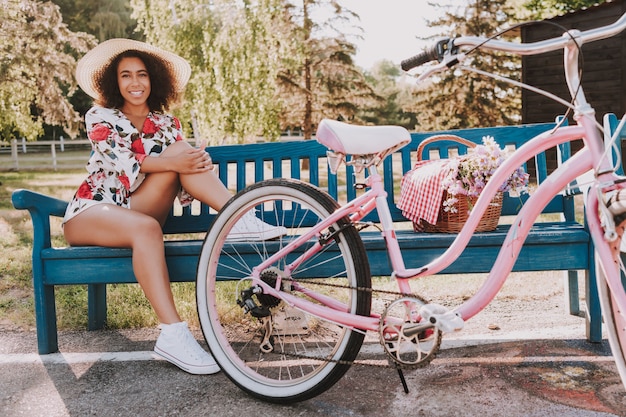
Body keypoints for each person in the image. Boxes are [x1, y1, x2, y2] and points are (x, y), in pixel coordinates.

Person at [64, 39, 286, 375]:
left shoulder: (168, 124)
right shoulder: (100, 115)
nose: (135, 82)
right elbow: (124, 163)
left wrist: (194, 160)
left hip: (137, 207)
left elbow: (178, 173)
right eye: (126, 76)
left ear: (153, 79)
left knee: (184, 161)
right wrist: (177, 157)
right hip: (93, 211)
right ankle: (173, 334)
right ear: (115, 82)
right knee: (154, 213)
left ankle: (239, 218)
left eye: (142, 74)